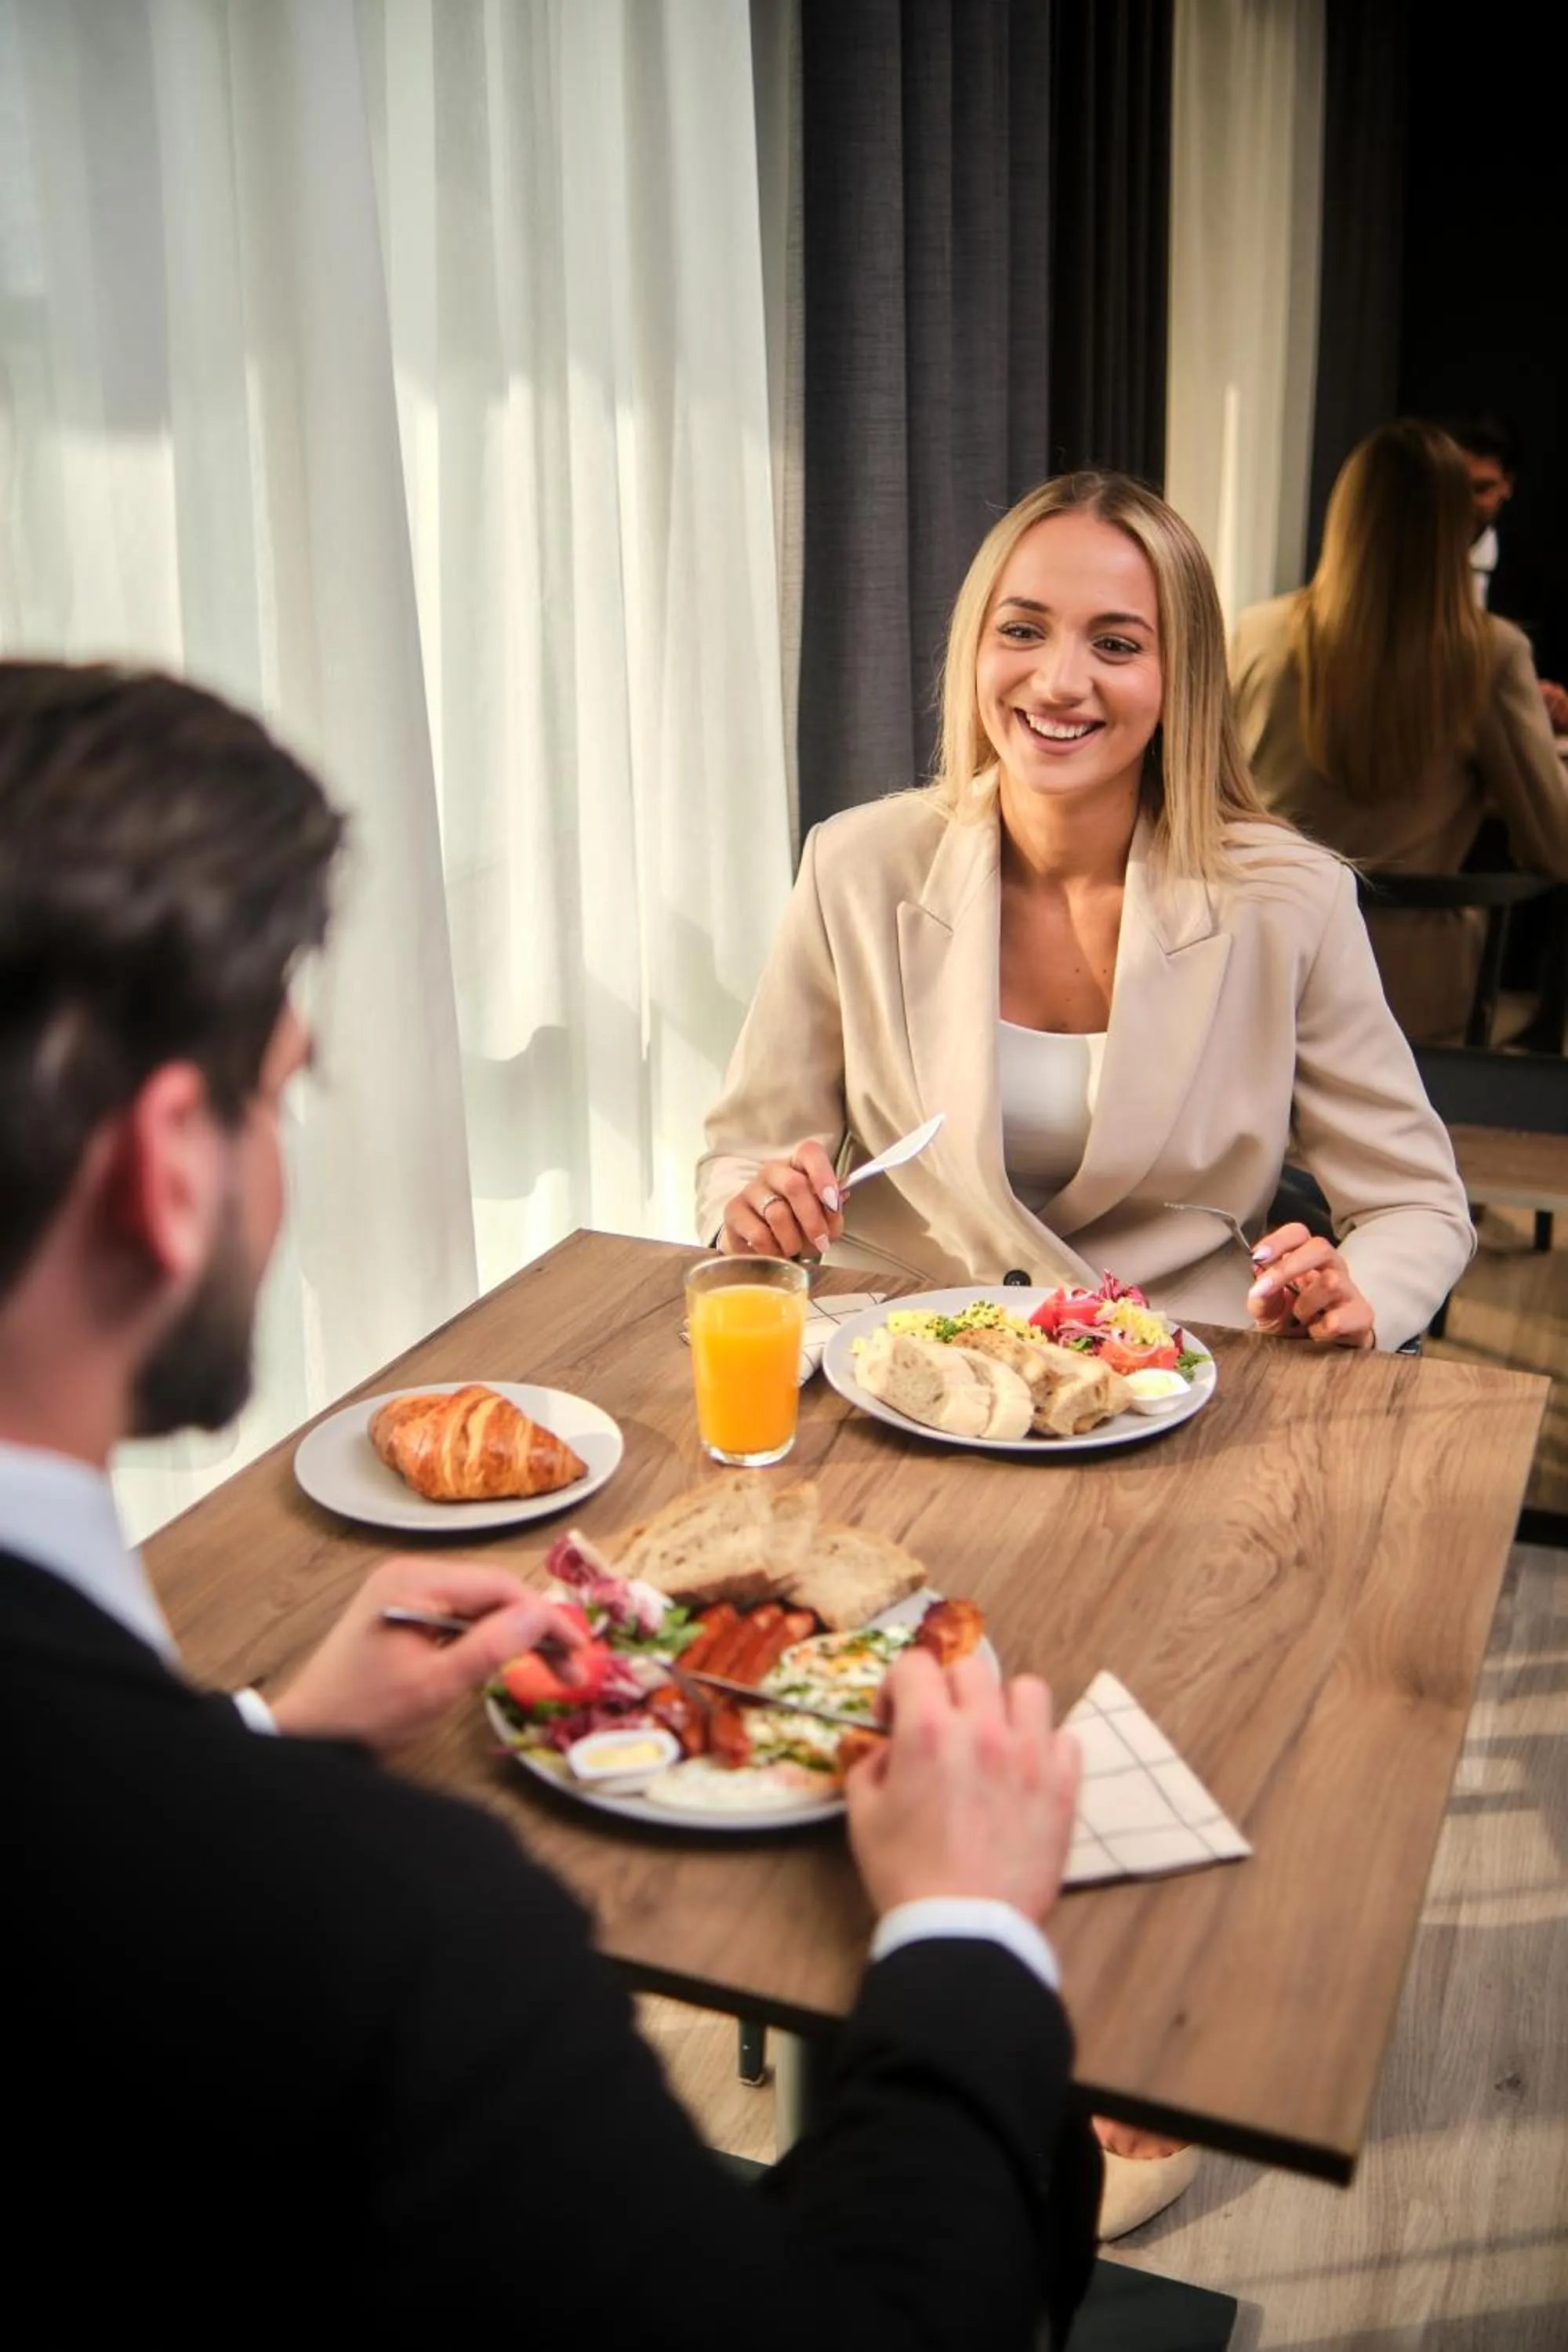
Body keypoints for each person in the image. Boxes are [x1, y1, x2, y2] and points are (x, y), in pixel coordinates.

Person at [0, 662, 1101, 2341]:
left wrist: (254, 1744)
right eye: (283, 1090)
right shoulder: (417, 1944)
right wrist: (962, 1931)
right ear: (167, 1169)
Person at [700, 469, 1472, 1362]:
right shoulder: (854, 865)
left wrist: (1355, 1294)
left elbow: (1412, 1202)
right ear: (974, 650)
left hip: (1172, 1382)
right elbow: (742, 1152)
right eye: (1021, 630)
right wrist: (752, 1208)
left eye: (1114, 645)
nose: (1059, 681)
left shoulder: (1291, 903)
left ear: (1177, 675)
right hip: (898, 1366)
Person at [1232, 419, 1568, 1044]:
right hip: (1407, 997)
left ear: (1344, 514)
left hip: (1260, 967)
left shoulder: (1257, 634)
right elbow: (1557, 843)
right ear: (1455, 527)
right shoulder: (1490, 655)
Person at [1442, 412, 1568, 730]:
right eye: (1454, 486)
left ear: (1507, 486)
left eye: (1481, 489)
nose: (1464, 503)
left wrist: (1556, 698)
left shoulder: (1539, 574)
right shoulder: (1400, 564)